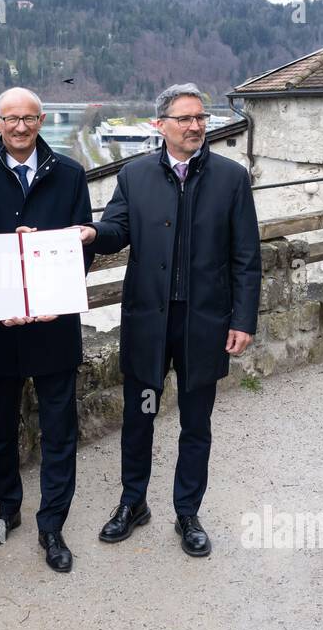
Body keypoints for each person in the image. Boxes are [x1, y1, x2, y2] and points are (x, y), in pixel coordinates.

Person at [81, 83, 262, 557]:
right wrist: (91, 232)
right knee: (140, 417)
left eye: (201, 117)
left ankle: (187, 512)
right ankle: (132, 502)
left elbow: (246, 256)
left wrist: (243, 319)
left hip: (203, 324)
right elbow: (117, 230)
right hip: (149, 323)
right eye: (184, 118)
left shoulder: (230, 178)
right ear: (160, 125)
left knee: (195, 422)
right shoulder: (135, 174)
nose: (196, 126)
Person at [0, 87, 93, 572]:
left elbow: (83, 245)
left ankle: (52, 525)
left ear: (42, 120)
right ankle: (7, 509)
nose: (20, 128)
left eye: (29, 119)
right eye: (11, 119)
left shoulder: (70, 174)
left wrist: (55, 293)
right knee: (0, 428)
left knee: (59, 431)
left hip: (53, 327)